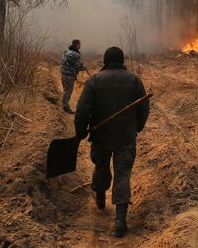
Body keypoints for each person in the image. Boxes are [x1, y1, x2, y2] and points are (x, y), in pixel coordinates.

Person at [74, 47, 150, 238]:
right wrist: (137, 127)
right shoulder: (134, 80)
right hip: (126, 137)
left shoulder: (94, 81)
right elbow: (144, 109)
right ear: (122, 60)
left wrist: (80, 132)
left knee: (101, 167)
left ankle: (100, 194)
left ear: (105, 61)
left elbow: (82, 110)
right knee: (123, 175)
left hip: (101, 136)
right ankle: (120, 221)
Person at [60, 39, 86, 114]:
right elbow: (78, 66)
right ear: (77, 45)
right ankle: (65, 107)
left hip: (64, 73)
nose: (80, 46)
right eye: (79, 44)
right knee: (68, 91)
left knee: (66, 90)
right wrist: (83, 67)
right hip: (69, 75)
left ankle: (64, 106)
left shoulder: (67, 51)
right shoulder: (75, 54)